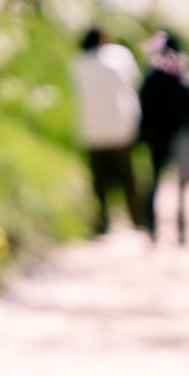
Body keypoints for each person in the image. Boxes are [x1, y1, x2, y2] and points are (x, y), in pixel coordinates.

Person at [74, 26, 146, 236]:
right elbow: (133, 84)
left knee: (99, 180)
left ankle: (102, 222)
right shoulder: (119, 56)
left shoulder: (79, 63)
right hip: (120, 126)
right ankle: (137, 218)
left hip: (92, 128)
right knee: (127, 177)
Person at [137, 31, 189, 242]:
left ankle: (152, 226)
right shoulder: (182, 75)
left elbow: (142, 104)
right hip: (180, 134)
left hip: (157, 135)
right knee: (181, 183)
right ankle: (182, 228)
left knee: (155, 180)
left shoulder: (152, 75)